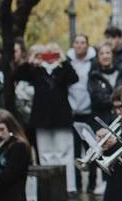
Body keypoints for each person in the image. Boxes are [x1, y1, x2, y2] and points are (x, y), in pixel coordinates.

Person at [14, 43, 78, 193]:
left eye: (53, 53)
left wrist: (63, 60)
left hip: (61, 117)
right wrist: (31, 60)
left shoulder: (63, 69)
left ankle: (69, 186)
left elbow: (74, 78)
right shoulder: (36, 70)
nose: (49, 56)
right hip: (42, 118)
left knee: (65, 152)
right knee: (45, 153)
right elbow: (17, 74)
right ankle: (49, 186)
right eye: (47, 53)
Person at [67, 34, 98, 193]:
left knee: (91, 148)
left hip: (89, 111)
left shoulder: (93, 62)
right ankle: (77, 185)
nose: (79, 45)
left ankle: (92, 184)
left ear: (87, 45)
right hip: (73, 111)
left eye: (82, 43)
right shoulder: (67, 62)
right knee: (74, 150)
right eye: (76, 43)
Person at [88, 43, 122, 128]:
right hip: (104, 121)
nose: (105, 56)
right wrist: (119, 99)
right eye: (102, 53)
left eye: (108, 53)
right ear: (97, 57)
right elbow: (96, 99)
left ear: (113, 55)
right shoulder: (94, 76)